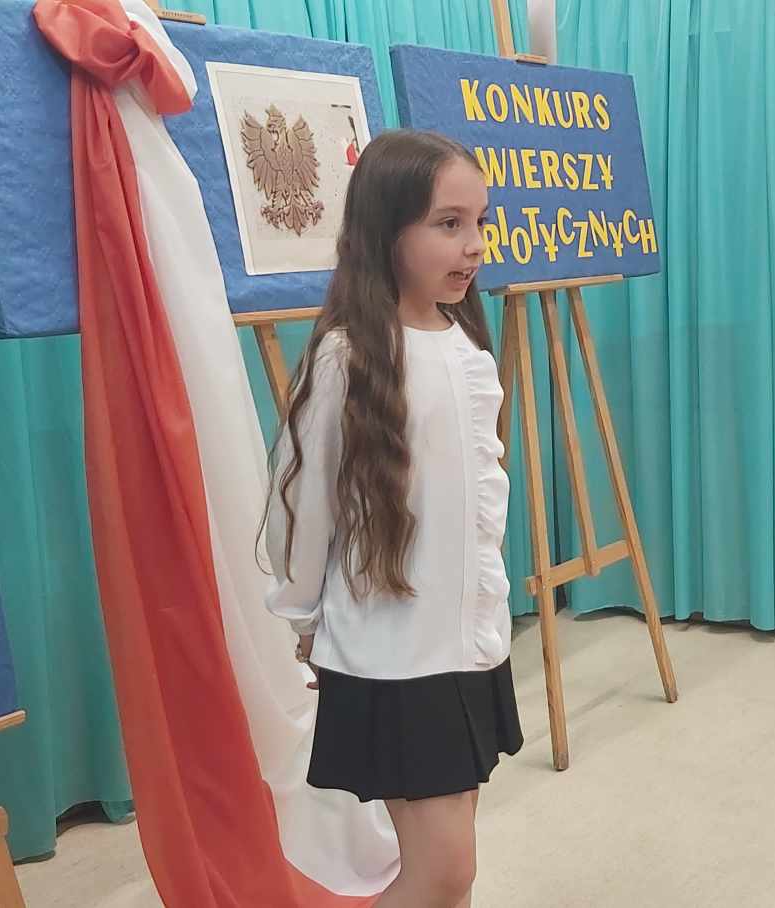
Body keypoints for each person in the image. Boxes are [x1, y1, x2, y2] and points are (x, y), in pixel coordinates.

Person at [264, 128, 521, 908]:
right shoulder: (346, 358)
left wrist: (488, 623)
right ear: (387, 230)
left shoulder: (469, 351)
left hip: (465, 650)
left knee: (447, 873)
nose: (473, 245)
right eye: (448, 224)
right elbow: (300, 507)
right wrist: (305, 617)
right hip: (396, 660)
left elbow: (477, 515)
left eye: (480, 222)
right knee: (444, 873)